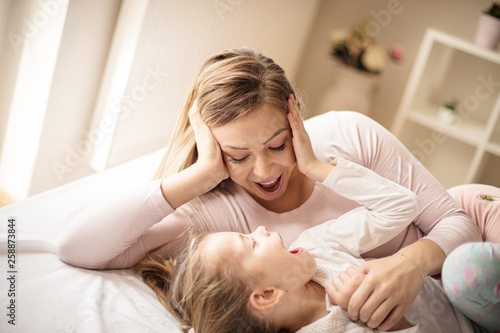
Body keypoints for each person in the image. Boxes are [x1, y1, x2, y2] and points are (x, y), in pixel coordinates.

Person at [56, 48, 484, 330]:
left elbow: (455, 222)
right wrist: (203, 174)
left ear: (293, 116)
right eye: (237, 155)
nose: (263, 171)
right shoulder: (217, 217)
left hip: (474, 224)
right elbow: (78, 247)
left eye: (278, 144)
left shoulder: (347, 136)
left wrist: (406, 265)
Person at [133, 157, 476, 333]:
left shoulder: (316, 247)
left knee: (473, 239)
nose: (262, 229)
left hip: (469, 303)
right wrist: (384, 319)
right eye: (251, 243)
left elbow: (401, 206)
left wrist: (317, 168)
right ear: (266, 295)